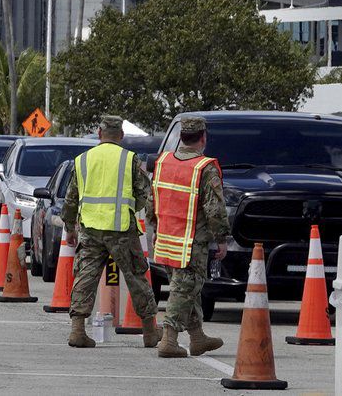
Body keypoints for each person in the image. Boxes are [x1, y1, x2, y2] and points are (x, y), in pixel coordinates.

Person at [61, 115, 160, 349]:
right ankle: (149, 331)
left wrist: (69, 228)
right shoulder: (130, 159)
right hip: (121, 229)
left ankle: (77, 330)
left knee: (85, 277)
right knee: (137, 277)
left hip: (90, 228)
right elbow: (145, 193)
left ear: (99, 133)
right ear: (121, 136)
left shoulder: (83, 159)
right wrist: (131, 209)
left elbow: (70, 198)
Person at [147, 115, 229, 358]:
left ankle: (197, 337)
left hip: (166, 239)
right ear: (203, 138)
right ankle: (169, 339)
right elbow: (215, 208)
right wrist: (222, 238)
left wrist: (155, 228)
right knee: (184, 290)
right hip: (191, 243)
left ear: (181, 136)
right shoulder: (204, 167)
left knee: (186, 289)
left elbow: (152, 201)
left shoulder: (163, 162)